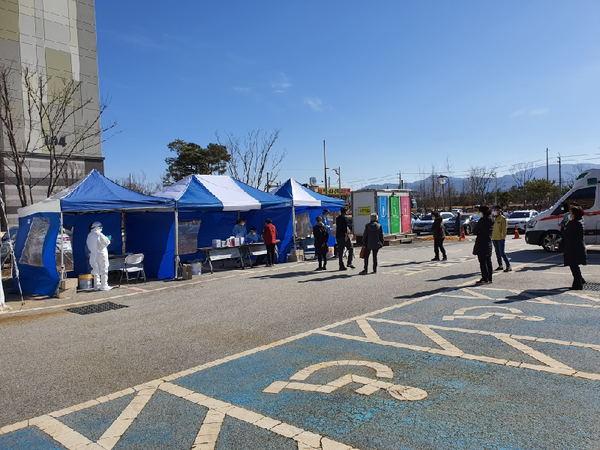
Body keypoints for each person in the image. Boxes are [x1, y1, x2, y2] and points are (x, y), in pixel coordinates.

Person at [562, 205, 587, 290]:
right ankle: (580, 280)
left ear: (574, 214)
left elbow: (567, 233)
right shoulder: (574, 222)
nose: (570, 214)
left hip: (574, 247)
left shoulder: (576, 224)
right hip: (573, 246)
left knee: (573, 265)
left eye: (571, 213)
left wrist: (564, 229)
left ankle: (578, 284)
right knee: (574, 265)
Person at [86, 221, 112, 291]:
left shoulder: (90, 235)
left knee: (95, 270)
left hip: (93, 254)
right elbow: (106, 242)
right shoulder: (98, 234)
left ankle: (96, 285)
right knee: (104, 269)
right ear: (98, 227)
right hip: (101, 253)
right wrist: (108, 239)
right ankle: (104, 286)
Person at [472, 205, 494, 284]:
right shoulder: (491, 220)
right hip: (488, 241)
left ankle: (484, 278)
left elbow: (475, 231)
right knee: (488, 261)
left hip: (481, 242)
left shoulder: (482, 220)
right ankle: (490, 278)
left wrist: (479, 232)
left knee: (482, 261)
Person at [492, 205, 511, 272]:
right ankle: (500, 265)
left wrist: (503, 238)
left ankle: (508, 266)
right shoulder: (494, 219)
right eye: (493, 210)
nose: (494, 211)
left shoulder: (503, 219)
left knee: (502, 252)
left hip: (500, 238)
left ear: (499, 211)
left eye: (495, 210)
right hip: (494, 237)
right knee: (497, 252)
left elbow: (504, 229)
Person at [335, 206, 355, 270]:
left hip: (338, 236)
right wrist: (346, 236)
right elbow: (345, 228)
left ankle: (341, 265)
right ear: (346, 212)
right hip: (344, 236)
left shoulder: (337, 218)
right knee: (350, 249)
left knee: (340, 251)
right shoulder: (346, 219)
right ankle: (349, 262)